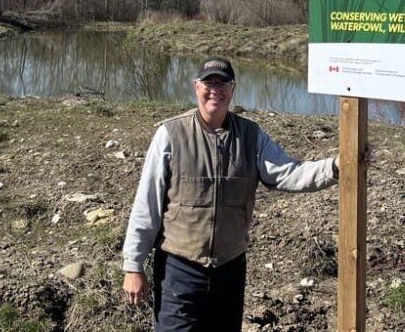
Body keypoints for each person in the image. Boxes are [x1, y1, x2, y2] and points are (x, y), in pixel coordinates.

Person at [121, 56, 339, 332]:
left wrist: (334, 168)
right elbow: (146, 204)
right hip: (179, 270)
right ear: (196, 87)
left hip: (229, 270)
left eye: (223, 83)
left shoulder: (251, 136)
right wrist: (133, 265)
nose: (216, 90)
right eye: (209, 83)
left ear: (232, 89)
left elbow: (288, 172)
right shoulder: (170, 134)